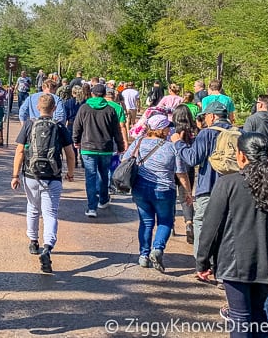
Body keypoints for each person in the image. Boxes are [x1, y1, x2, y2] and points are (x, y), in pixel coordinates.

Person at [197, 133, 268, 338]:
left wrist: (203, 261)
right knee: (259, 314)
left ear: (241, 155)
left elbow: (210, 227)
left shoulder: (227, 183)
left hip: (235, 262)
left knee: (240, 316)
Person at [11, 94, 75, 273]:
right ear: (54, 109)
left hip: (31, 175)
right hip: (53, 176)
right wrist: (70, 173)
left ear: (38, 107)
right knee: (50, 213)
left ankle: (33, 242)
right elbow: (70, 154)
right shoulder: (60, 127)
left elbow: (20, 152)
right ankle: (48, 247)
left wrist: (15, 175)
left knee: (32, 207)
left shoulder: (30, 124)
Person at [171, 101, 235, 263]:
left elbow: (192, 158)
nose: (204, 119)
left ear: (212, 116)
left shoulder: (207, 134)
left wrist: (178, 143)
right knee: (227, 224)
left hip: (209, 185)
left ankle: (202, 261)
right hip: (233, 186)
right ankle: (223, 260)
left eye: (206, 115)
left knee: (201, 221)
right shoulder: (237, 132)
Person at [125, 114, 187, 271]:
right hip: (164, 189)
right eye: (167, 127)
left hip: (140, 188)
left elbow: (124, 159)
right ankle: (157, 249)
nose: (169, 130)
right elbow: (180, 172)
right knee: (165, 221)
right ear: (162, 129)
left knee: (146, 222)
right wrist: (187, 191)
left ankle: (143, 256)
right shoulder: (172, 147)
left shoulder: (139, 142)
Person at [72, 84, 124, 218]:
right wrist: (120, 145)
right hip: (105, 147)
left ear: (92, 94)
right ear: (104, 95)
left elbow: (77, 126)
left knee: (90, 176)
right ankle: (103, 200)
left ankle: (91, 208)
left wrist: (76, 141)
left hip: (88, 148)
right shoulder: (110, 110)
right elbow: (116, 130)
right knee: (103, 174)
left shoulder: (84, 108)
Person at [171, 104, 198, 245]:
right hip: (188, 166)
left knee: (170, 197)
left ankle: (171, 224)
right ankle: (189, 223)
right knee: (186, 197)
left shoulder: (171, 130)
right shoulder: (193, 131)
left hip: (171, 166)